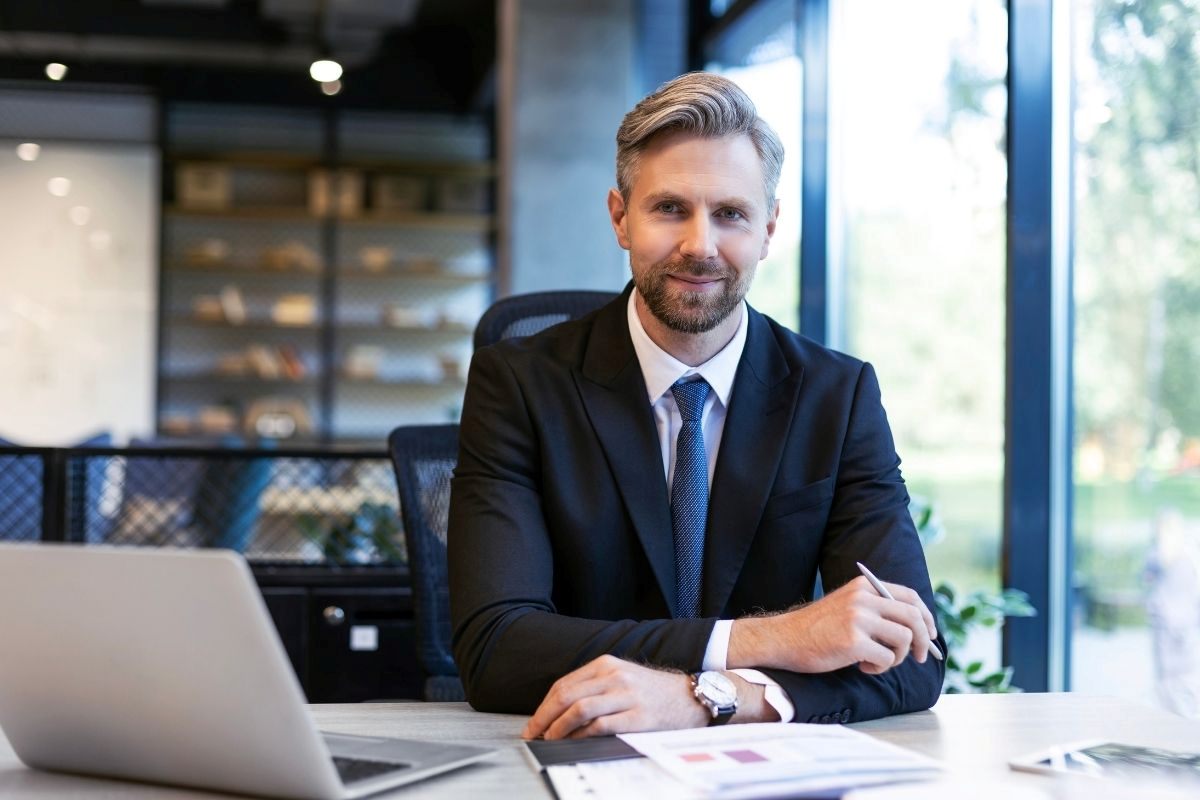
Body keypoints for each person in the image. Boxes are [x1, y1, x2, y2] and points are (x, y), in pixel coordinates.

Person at [448, 72, 944, 740]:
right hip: (575, 759)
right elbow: (497, 648)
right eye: (670, 209)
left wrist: (705, 697)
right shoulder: (518, 383)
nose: (700, 246)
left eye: (731, 214)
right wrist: (775, 640)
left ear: (769, 229)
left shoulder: (838, 396)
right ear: (620, 218)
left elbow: (913, 659)